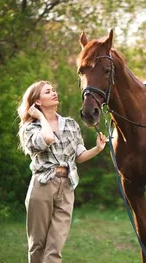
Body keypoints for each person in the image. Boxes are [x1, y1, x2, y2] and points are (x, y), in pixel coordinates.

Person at [17, 80, 106, 263]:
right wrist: (41, 118)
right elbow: (48, 138)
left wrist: (97, 148)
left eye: (53, 90)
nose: (54, 93)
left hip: (67, 187)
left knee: (55, 247)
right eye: (47, 92)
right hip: (42, 186)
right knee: (38, 245)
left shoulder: (71, 124)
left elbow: (79, 155)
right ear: (37, 102)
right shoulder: (31, 128)